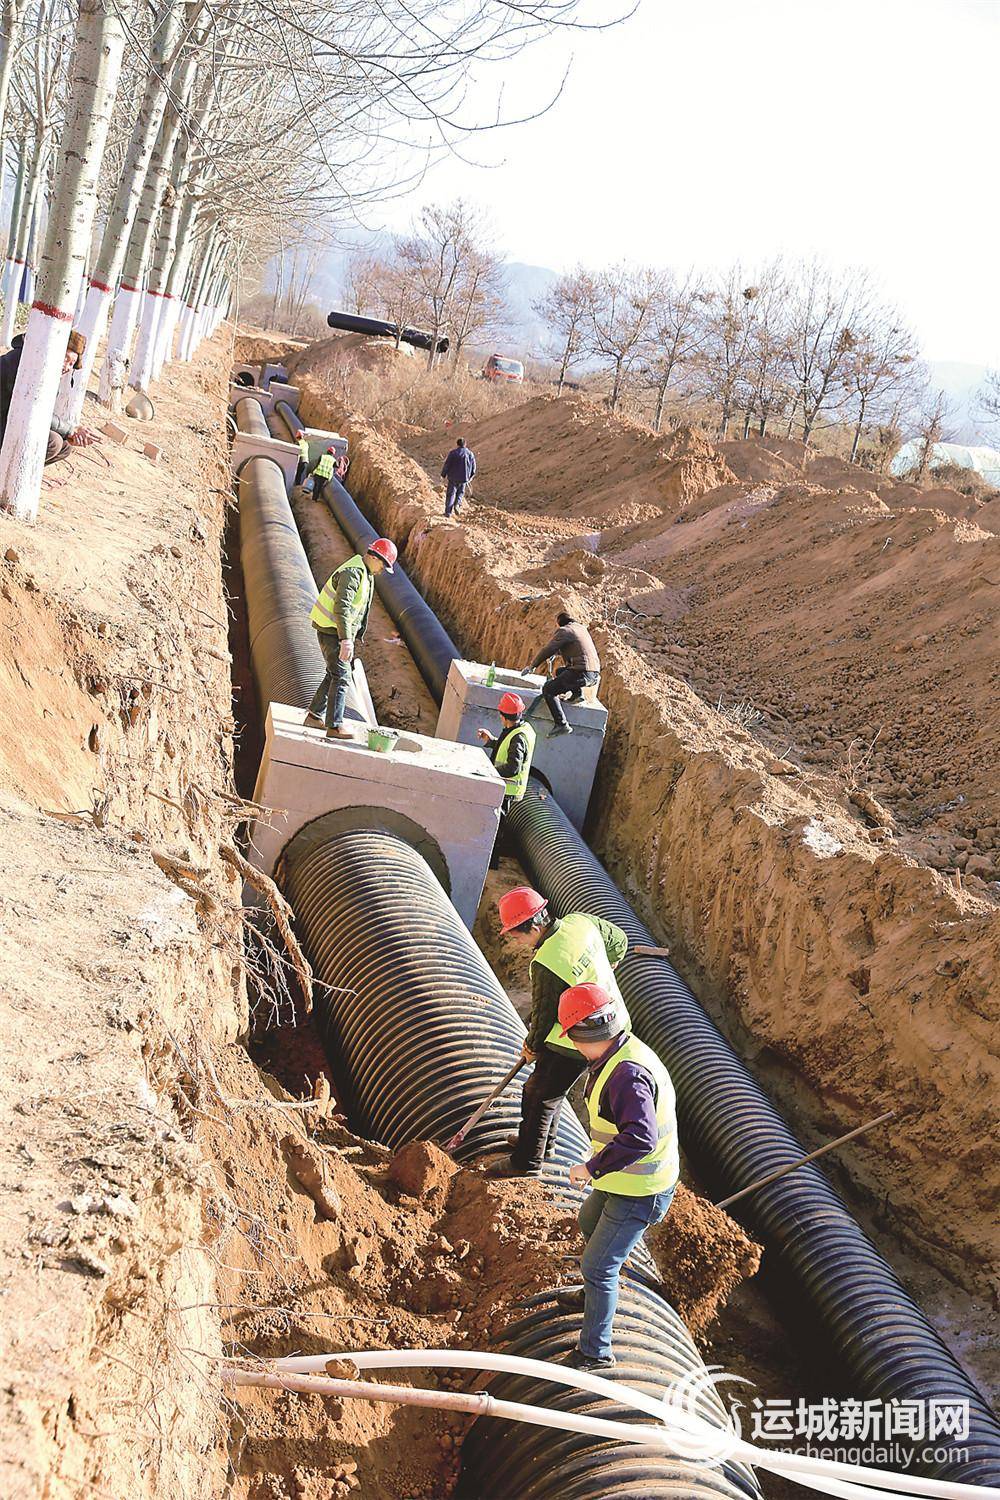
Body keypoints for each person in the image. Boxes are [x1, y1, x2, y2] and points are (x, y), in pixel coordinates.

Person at [554, 982, 678, 1371]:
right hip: (622, 1180)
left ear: (585, 1035)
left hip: (640, 1189)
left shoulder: (626, 1075)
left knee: (599, 1266)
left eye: (573, 1038)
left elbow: (640, 1136)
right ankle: (593, 1297)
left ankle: (595, 1352)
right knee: (587, 1220)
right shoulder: (620, 1052)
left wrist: (591, 1168)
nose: (573, 1046)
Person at [487, 888, 631, 1180]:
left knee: (539, 1093)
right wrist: (609, 963)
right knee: (548, 1088)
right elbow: (619, 939)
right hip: (609, 1019)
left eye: (517, 935)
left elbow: (543, 1016)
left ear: (535, 927)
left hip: (583, 1035)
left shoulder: (547, 963)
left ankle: (526, 1162)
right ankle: (544, 1143)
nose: (516, 942)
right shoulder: (580, 923)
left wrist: (532, 1046)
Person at [304, 537, 397, 738]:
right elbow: (342, 607)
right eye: (383, 564)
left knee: (333, 673)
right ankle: (335, 726)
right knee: (342, 676)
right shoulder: (354, 573)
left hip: (335, 630)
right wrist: (346, 639)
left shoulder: (365, 573)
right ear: (375, 557)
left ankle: (314, 716)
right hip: (331, 631)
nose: (382, 570)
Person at [0, 327, 96, 466]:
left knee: (65, 447)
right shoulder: (23, 362)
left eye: (72, 364)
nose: (68, 367)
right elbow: (32, 409)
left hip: (9, 420)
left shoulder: (46, 370)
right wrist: (70, 430)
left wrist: (69, 434)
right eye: (66, 358)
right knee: (53, 442)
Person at [476, 692, 535, 865]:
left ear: (503, 716)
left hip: (507, 788)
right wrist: (491, 740)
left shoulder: (518, 737)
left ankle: (491, 862)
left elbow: (513, 767)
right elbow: (506, 745)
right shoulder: (519, 730)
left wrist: (490, 771)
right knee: (496, 824)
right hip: (505, 787)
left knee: (497, 826)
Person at [523, 611, 601, 738]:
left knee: (549, 689)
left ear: (560, 624)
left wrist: (533, 665)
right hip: (593, 674)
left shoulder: (564, 631)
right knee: (560, 672)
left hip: (580, 673)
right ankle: (577, 695)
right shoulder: (581, 629)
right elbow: (576, 648)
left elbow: (548, 649)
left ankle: (562, 724)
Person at [441, 435, 476, 518]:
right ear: (465, 444)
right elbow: (474, 467)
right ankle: (457, 505)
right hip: (464, 478)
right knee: (460, 493)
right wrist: (470, 477)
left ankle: (448, 513)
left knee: (451, 494)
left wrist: (443, 475)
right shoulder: (470, 454)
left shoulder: (453, 453)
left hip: (453, 478)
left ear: (457, 445)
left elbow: (447, 465)